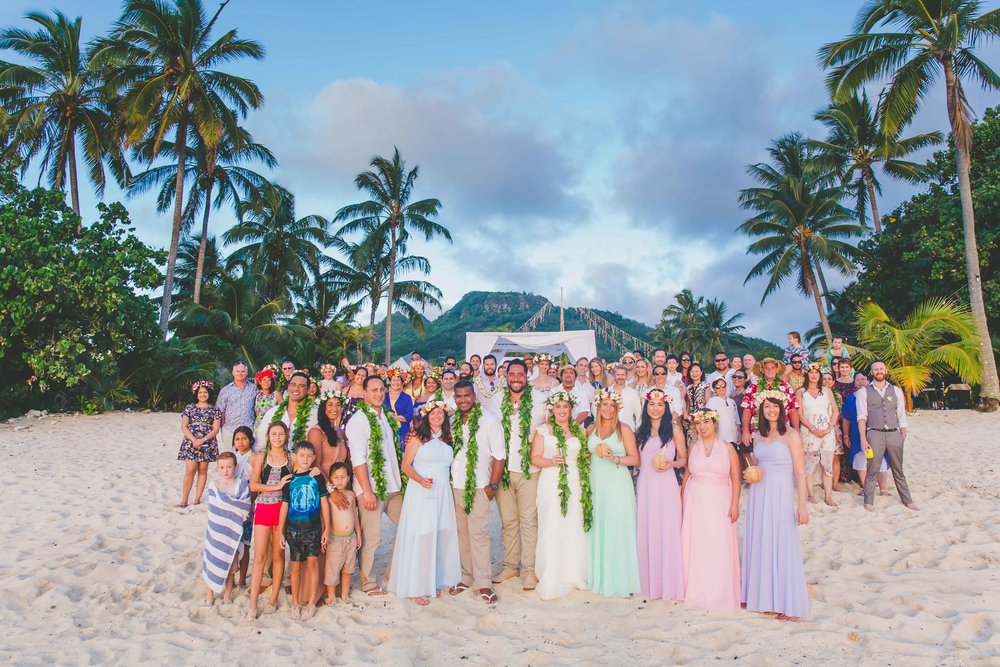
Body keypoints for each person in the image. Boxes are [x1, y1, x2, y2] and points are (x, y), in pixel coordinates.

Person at [743, 394, 810, 620]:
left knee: (782, 542)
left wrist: (802, 505)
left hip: (780, 494)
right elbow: (756, 464)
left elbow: (800, 473)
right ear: (761, 410)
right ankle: (766, 598)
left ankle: (787, 602)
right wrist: (751, 473)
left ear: (782, 409)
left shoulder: (791, 435)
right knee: (762, 540)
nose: (771, 410)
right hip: (759, 493)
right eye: (767, 407)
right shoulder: (758, 436)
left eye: (775, 407)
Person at [390, 402, 462, 605]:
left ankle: (433, 580)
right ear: (426, 416)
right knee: (422, 535)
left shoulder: (448, 439)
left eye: (441, 413)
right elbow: (405, 465)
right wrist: (421, 480)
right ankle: (416, 586)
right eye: (433, 413)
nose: (437, 416)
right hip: (421, 490)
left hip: (442, 492)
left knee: (439, 534)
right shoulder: (417, 437)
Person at [448, 381, 505, 605]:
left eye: (467, 396)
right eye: (459, 396)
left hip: (481, 485)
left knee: (478, 534)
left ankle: (484, 583)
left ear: (475, 396)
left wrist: (493, 485)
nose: (463, 400)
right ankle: (467, 576)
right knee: (462, 534)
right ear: (455, 397)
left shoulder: (489, 420)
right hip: (456, 485)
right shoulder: (451, 421)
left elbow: (499, 456)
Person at [348, 375, 404, 597]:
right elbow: (358, 459)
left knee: (410, 525)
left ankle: (393, 571)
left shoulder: (387, 419)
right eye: (374, 390)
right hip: (370, 488)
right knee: (372, 537)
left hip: (393, 486)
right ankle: (367, 581)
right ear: (364, 393)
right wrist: (368, 491)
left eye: (382, 389)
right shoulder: (359, 421)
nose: (379, 394)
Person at [680, 408, 742, 613]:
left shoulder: (727, 448)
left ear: (715, 424)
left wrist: (734, 504)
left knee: (718, 543)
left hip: (719, 499)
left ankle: (719, 592)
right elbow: (687, 475)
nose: (702, 427)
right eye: (699, 423)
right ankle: (696, 590)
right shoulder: (693, 447)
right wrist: (681, 502)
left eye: (706, 422)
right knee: (696, 543)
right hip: (695, 499)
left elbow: (735, 477)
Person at [531, 392, 590, 600]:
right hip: (551, 481)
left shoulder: (578, 431)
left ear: (571, 409)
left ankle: (573, 573)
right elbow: (535, 457)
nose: (563, 410)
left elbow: (585, 456)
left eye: (566, 407)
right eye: (558, 407)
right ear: (552, 410)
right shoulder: (543, 431)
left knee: (573, 522)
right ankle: (552, 572)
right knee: (552, 523)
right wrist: (551, 461)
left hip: (574, 480)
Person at [494, 360, 547, 591]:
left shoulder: (540, 400)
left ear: (527, 375)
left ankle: (530, 570)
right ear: (506, 376)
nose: (516, 377)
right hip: (503, 470)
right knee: (508, 521)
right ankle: (510, 566)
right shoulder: (495, 401)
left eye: (520, 374)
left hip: (530, 470)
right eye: (512, 373)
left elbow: (552, 427)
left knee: (529, 521)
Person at [586, 390, 641, 597]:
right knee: (598, 525)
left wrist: (615, 459)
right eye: (604, 405)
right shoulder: (591, 429)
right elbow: (583, 454)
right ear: (598, 407)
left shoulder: (623, 430)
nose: (607, 409)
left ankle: (618, 578)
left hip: (617, 483)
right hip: (596, 483)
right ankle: (598, 575)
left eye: (612, 405)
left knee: (617, 527)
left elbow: (635, 459)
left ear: (617, 408)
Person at [635, 389, 687, 601]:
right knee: (648, 530)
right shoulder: (641, 431)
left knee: (667, 531)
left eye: (660, 404)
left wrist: (672, 464)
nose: (655, 408)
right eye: (651, 404)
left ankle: (669, 583)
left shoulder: (673, 429)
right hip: (646, 484)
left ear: (666, 407)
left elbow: (684, 459)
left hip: (666, 485)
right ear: (646, 407)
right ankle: (649, 582)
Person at [279, 442, 330, 620]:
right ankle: (295, 604)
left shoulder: (317, 477)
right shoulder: (289, 479)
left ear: (314, 458)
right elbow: (284, 506)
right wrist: (280, 531)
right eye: (301, 455)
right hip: (293, 531)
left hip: (313, 530)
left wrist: (326, 529)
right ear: (294, 457)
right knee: (295, 568)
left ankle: (311, 603)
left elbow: (324, 504)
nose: (305, 459)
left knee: (312, 565)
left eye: (309, 456)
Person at [857, 361, 918, 512]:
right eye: (876, 369)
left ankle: (907, 500)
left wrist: (903, 433)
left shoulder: (896, 390)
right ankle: (869, 501)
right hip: (874, 433)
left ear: (886, 370)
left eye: (881, 369)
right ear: (871, 372)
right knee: (872, 469)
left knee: (898, 469)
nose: (879, 371)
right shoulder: (863, 392)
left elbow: (901, 414)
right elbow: (861, 418)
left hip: (893, 433)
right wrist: (863, 439)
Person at [247, 421, 293, 620]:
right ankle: (252, 604)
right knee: (259, 557)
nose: (277, 437)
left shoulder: (291, 458)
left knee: (278, 555)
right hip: (264, 509)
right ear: (268, 436)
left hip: (283, 510)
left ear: (286, 435)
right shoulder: (262, 457)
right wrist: (276, 486)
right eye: (274, 434)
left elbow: (303, 473)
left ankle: (273, 599)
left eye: (281, 434)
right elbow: (253, 485)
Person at [202, 452, 251, 607]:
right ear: (217, 468)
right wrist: (232, 505)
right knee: (212, 562)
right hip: (216, 533)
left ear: (236, 467)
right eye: (222, 467)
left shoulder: (241, 485)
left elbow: (245, 507)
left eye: (229, 466)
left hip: (233, 533)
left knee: (231, 566)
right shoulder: (214, 486)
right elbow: (216, 507)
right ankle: (210, 595)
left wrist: (232, 505)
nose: (226, 470)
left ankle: (228, 595)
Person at [797, 364, 840, 506]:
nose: (814, 375)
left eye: (817, 372)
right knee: (809, 464)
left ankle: (828, 496)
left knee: (827, 464)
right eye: (811, 372)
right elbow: (800, 414)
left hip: (827, 431)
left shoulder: (826, 391)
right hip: (809, 431)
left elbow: (835, 411)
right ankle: (811, 494)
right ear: (807, 374)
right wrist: (813, 428)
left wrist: (829, 428)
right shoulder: (801, 392)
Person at [843, 372, 889, 495]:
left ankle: (883, 489)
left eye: (863, 379)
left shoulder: (876, 395)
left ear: (868, 380)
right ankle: (866, 488)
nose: (860, 382)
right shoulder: (851, 398)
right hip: (857, 434)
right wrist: (846, 435)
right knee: (860, 459)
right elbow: (846, 419)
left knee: (881, 460)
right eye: (857, 380)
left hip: (877, 432)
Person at [178, 380, 223, 507]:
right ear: (196, 393)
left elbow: (215, 429)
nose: (203, 394)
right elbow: (184, 426)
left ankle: (197, 498)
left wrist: (203, 440)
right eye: (200, 392)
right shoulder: (190, 407)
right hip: (191, 440)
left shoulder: (214, 409)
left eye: (205, 392)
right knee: (190, 469)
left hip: (207, 441)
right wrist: (194, 440)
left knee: (203, 470)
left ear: (209, 393)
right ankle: (184, 499)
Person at [255, 371, 320, 454]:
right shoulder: (272, 413)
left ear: (307, 390)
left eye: (301, 386)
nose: (296, 389)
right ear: (288, 387)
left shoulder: (316, 415)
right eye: (293, 384)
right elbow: (259, 445)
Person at [324, 462, 361, 605]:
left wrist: (358, 534)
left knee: (348, 569)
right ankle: (331, 596)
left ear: (348, 478)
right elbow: (326, 519)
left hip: (350, 538)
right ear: (331, 479)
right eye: (335, 477)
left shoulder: (351, 495)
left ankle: (345, 595)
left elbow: (354, 515)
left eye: (342, 477)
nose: (339, 480)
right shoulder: (329, 498)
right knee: (332, 568)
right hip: (335, 539)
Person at [740, 358, 800, 446]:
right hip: (758, 431)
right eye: (767, 368)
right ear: (762, 370)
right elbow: (747, 409)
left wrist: (796, 431)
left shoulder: (786, 386)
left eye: (772, 367)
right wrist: (745, 431)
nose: (770, 370)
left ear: (777, 369)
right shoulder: (753, 386)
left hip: (781, 432)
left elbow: (793, 410)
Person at [231, 426, 255, 587]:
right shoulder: (232, 457)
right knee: (232, 544)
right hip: (232, 504)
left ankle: (242, 580)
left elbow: (254, 484)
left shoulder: (253, 458)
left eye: (244, 438)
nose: (241, 442)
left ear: (251, 440)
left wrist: (250, 505)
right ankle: (231, 578)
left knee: (246, 544)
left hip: (247, 502)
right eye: (237, 439)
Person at [216, 361, 258, 452]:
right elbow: (221, 411)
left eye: (243, 371)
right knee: (230, 457)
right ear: (233, 372)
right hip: (229, 430)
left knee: (248, 459)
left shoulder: (254, 388)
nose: (240, 373)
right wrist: (223, 428)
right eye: (238, 371)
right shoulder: (225, 390)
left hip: (249, 429)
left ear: (247, 373)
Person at [311, 390, 349, 479]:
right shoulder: (316, 432)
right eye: (330, 404)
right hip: (325, 486)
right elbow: (316, 465)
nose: (335, 409)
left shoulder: (340, 432)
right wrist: (332, 490)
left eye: (338, 405)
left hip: (341, 484)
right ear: (323, 408)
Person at [384, 369, 414, 447]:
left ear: (402, 382)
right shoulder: (384, 396)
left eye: (398, 380)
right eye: (394, 380)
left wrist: (393, 416)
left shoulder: (407, 397)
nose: (396, 382)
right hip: (386, 430)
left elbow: (409, 416)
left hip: (401, 430)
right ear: (390, 381)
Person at [706, 378, 739, 445]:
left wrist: (739, 434)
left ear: (726, 387)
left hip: (733, 436)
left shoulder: (732, 401)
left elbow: (737, 419)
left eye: (723, 386)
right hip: (720, 436)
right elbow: (710, 420)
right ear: (714, 389)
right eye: (717, 387)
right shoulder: (711, 401)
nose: (721, 388)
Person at [608, 365, 642, 430]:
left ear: (626, 376)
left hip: (629, 430)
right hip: (610, 430)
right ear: (614, 375)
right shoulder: (606, 391)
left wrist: (638, 431)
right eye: (618, 374)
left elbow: (639, 414)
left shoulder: (633, 393)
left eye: (623, 374)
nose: (620, 377)